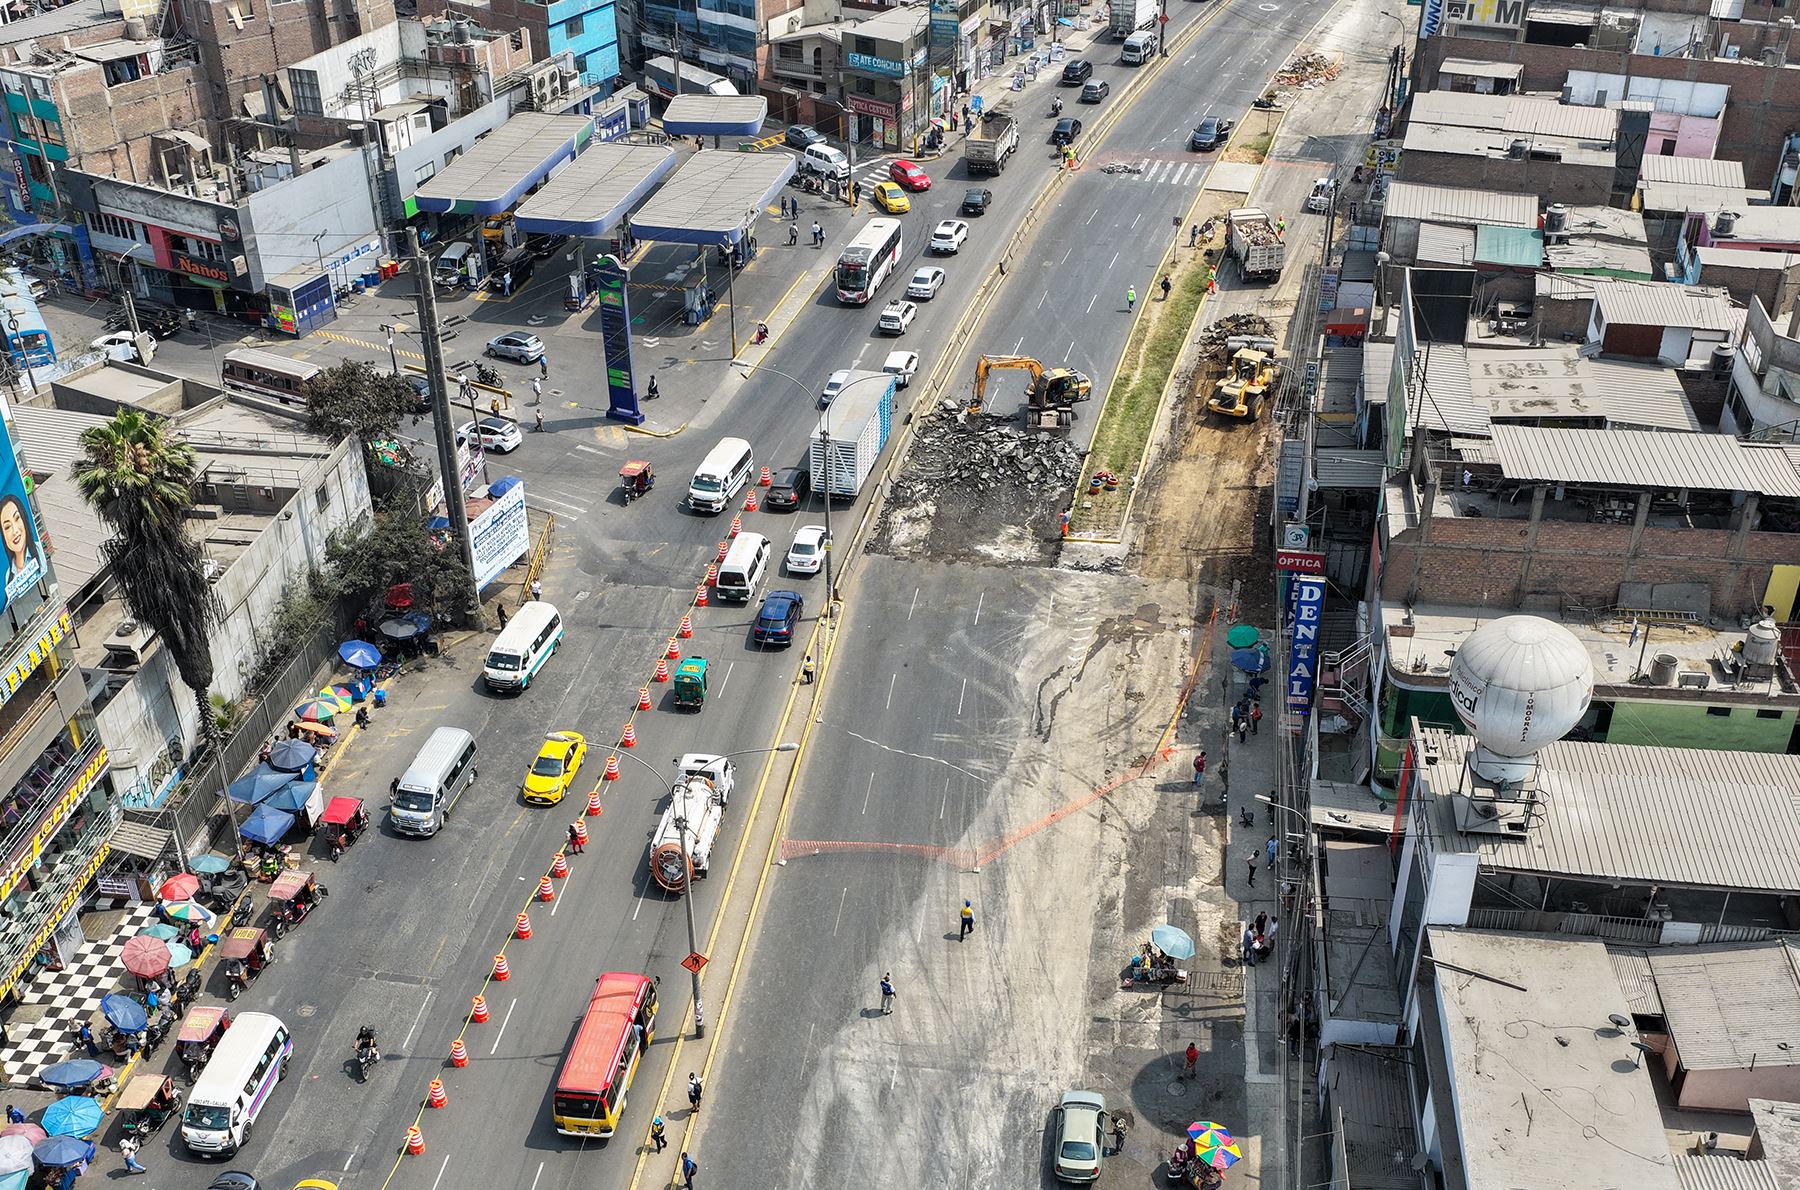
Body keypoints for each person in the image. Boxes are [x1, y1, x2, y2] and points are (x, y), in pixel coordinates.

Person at [0, 493, 38, 593]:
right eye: (7, 527)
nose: (15, 530)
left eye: (17, 518)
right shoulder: (9, 575)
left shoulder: (39, 552)